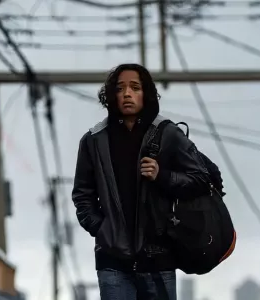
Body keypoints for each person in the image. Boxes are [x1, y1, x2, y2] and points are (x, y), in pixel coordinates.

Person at [72, 63, 210, 300]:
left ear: (146, 93)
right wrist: (100, 229)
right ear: (111, 95)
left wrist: (163, 175)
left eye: (134, 87)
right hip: (112, 259)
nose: (127, 93)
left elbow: (201, 179)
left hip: (159, 257)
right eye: (120, 88)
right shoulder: (93, 141)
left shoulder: (167, 134)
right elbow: (82, 195)